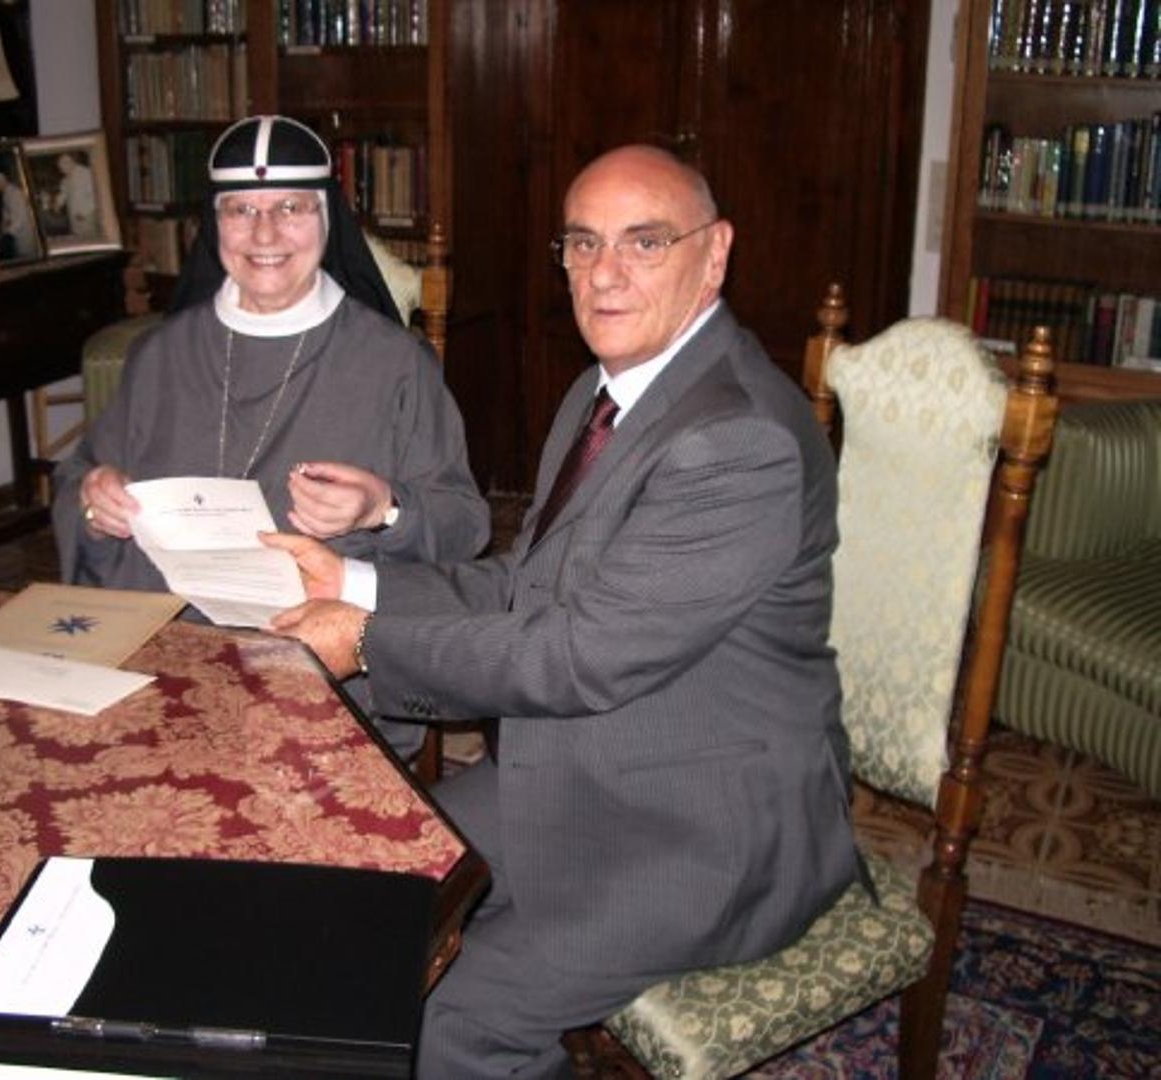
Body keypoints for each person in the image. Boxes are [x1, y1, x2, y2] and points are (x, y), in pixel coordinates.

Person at [266, 145, 865, 1078]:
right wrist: (354, 585)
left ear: (715, 254)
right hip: (583, 766)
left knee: (455, 1020)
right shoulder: (604, 391)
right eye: (583, 243)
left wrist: (369, 644)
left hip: (702, 826)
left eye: (645, 242)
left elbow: (577, 655)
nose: (604, 273)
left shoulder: (736, 438)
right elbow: (527, 584)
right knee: (364, 892)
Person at [52, 115, 490, 757]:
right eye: (241, 210)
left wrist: (385, 508)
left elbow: (464, 523)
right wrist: (96, 502)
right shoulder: (159, 356)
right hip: (168, 657)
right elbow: (78, 482)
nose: (264, 234)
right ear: (215, 224)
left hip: (319, 668)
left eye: (290, 208)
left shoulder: (395, 364)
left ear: (326, 220)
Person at [0, 170, 39, 259]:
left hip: (23, 233)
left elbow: (20, 218)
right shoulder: (5, 195)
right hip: (15, 234)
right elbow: (6, 215)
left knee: (28, 256)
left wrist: (7, 233)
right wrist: (2, 227)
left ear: (3, 182)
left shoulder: (16, 194)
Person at [52, 152, 98, 237]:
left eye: (65, 162)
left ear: (73, 161)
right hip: (74, 216)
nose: (62, 166)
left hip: (86, 216)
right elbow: (63, 193)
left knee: (90, 238)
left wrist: (84, 212)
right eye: (60, 164)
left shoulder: (85, 173)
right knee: (78, 236)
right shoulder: (65, 180)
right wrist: (58, 204)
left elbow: (96, 195)